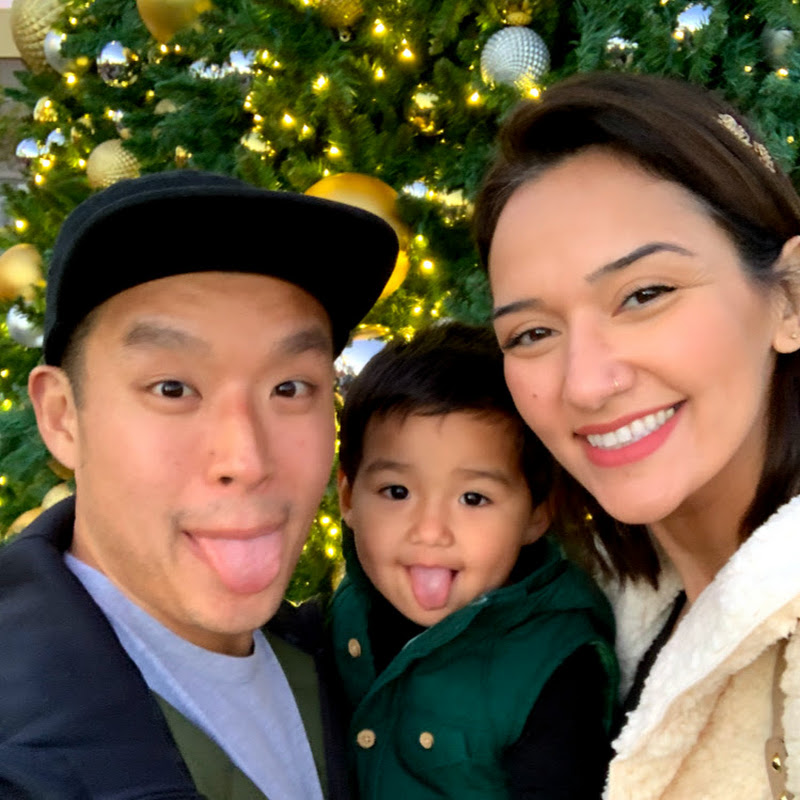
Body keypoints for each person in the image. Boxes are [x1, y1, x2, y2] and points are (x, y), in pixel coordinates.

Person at [0, 170, 399, 799]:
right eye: (173, 388)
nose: (247, 458)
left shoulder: (348, 667)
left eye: (290, 388)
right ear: (62, 416)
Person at [474, 70, 800, 800]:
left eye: (645, 294)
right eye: (532, 333)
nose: (586, 384)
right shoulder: (584, 619)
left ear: (788, 299)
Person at [328, 321, 619, 799]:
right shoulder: (345, 610)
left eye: (473, 498)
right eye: (396, 492)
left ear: (537, 514)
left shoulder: (556, 667)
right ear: (348, 497)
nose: (429, 531)